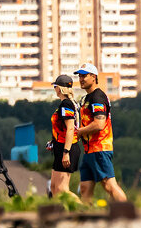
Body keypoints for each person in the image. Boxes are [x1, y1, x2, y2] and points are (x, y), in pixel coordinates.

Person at [74, 63, 127, 203]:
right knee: (85, 188)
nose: (81, 79)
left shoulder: (98, 97)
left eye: (84, 76)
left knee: (109, 185)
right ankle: (86, 218)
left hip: (100, 148)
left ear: (94, 77)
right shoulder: (86, 98)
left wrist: (79, 132)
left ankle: (126, 211)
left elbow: (99, 124)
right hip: (89, 151)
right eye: (79, 76)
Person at [48, 74, 81, 200]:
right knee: (54, 187)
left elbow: (70, 128)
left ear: (59, 89)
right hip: (60, 146)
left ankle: (82, 209)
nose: (54, 89)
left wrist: (66, 152)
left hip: (67, 149)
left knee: (62, 189)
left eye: (55, 86)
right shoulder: (67, 104)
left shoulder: (66, 104)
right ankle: (61, 213)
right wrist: (53, 141)